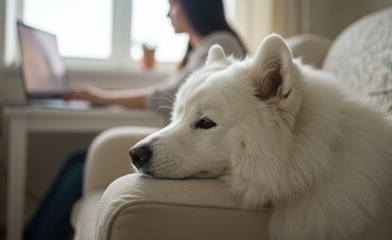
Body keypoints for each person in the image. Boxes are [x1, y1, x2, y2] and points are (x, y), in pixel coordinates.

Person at [24, 0, 247, 239]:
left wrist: (100, 96)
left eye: (173, 5)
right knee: (77, 161)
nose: (168, 13)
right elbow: (167, 92)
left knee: (78, 166)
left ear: (195, 7)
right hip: (177, 142)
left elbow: (164, 94)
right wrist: (103, 94)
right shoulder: (202, 49)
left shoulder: (219, 43)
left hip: (186, 147)